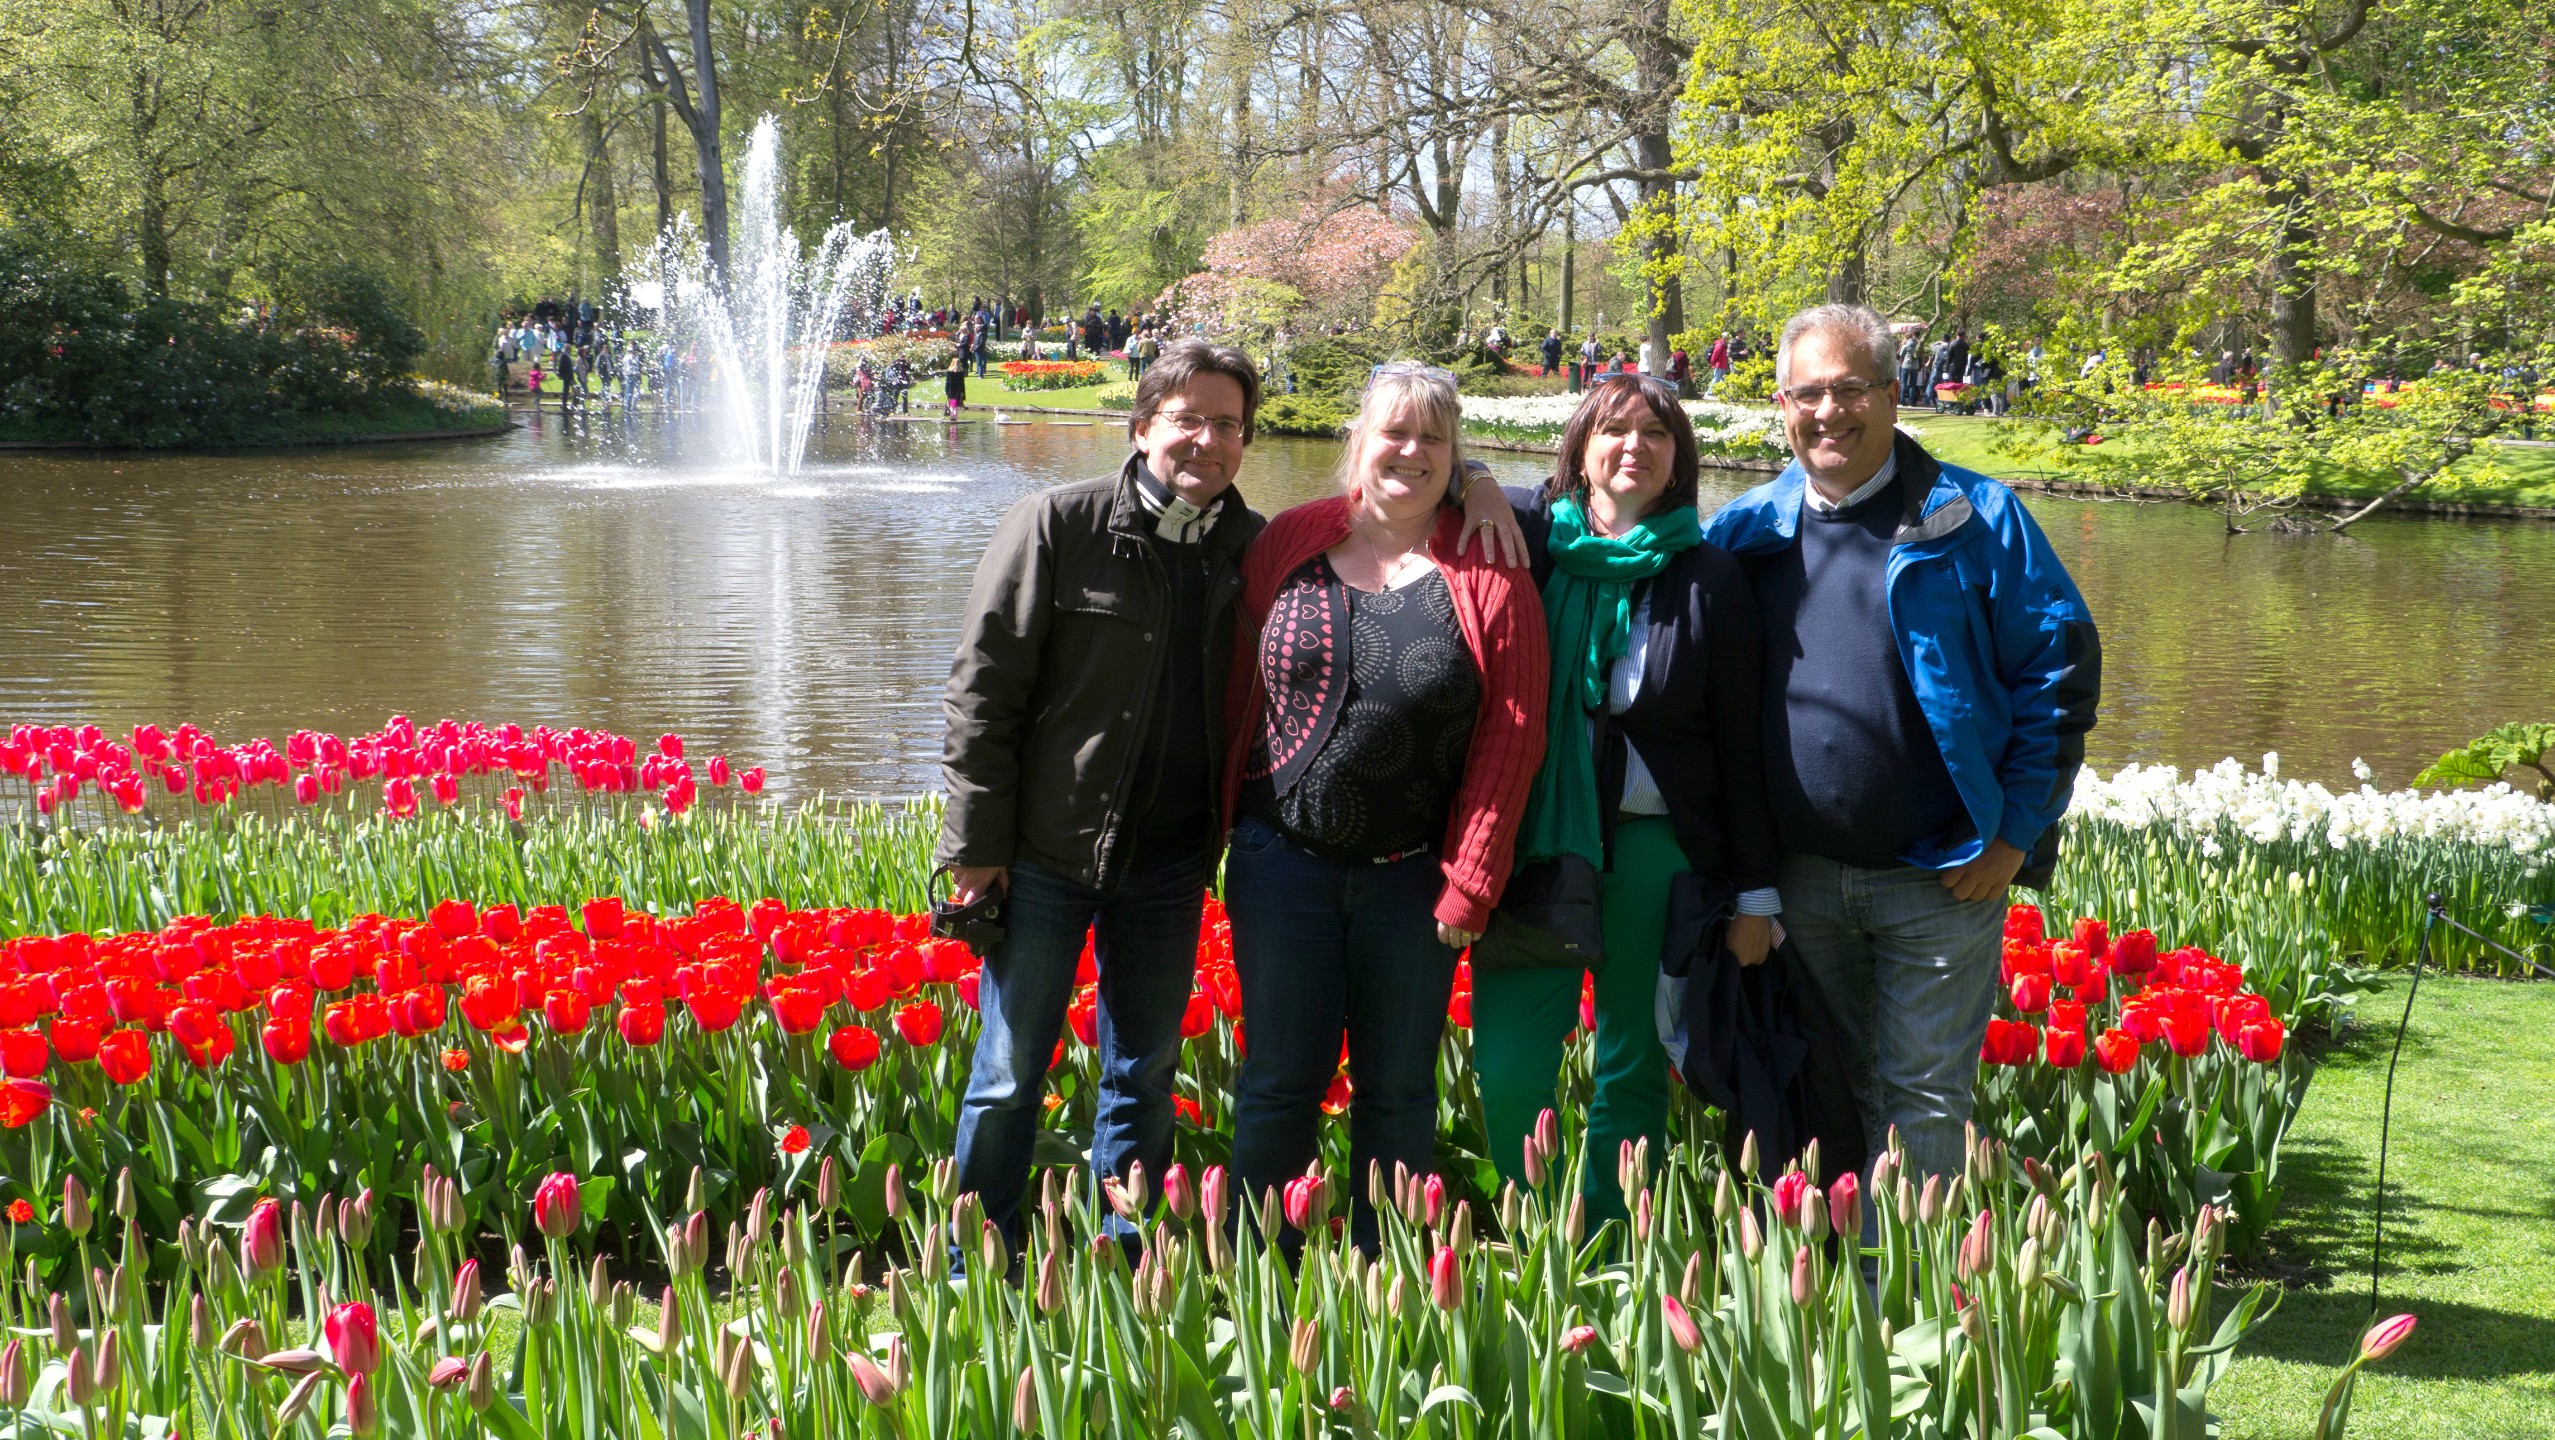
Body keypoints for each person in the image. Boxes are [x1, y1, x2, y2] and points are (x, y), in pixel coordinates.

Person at [1703, 302, 2102, 1192]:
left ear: (1892, 394)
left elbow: (2059, 678)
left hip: (1942, 875)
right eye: (1807, 393)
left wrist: (2016, 835)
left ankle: (1910, 1278)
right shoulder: (1746, 532)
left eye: (1849, 389)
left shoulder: (1976, 519)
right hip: (1800, 880)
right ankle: (1840, 1269)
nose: (1827, 412)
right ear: (1780, 404)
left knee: (1921, 1100)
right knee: (1831, 1089)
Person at [939, 340, 1275, 1258]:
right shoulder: (1058, 523)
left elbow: (1377, 515)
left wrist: (1476, 480)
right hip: (1046, 852)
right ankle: (978, 1263)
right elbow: (982, 694)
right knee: (1008, 1075)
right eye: (1187, 419)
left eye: (1227, 425)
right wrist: (975, 846)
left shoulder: (1253, 549)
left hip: (1169, 863)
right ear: (1140, 427)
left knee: (1145, 1075)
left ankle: (1122, 1259)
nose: (1207, 441)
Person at [1222, 364, 1548, 1250]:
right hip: (1279, 863)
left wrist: (1471, 880)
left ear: (1455, 456)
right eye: (1392, 433)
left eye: (1432, 438)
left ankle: (1387, 1276)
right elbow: (1235, 688)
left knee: (1398, 1093)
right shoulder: (1289, 541)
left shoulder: (1488, 566)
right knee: (1277, 1084)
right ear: (1357, 440)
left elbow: (1512, 735)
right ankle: (1259, 1271)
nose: (1410, 452)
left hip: (1412, 881)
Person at [1473, 373, 1777, 1226]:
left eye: (1655, 432)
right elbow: (1419, 464)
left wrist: (1756, 891)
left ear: (1678, 458)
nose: (1633, 446)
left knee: (1632, 1064)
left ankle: (1607, 1240)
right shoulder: (1528, 539)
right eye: (1613, 429)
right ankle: (1535, 1239)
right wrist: (1476, 476)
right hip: (1536, 842)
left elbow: (1741, 747)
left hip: (1655, 847)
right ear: (1579, 448)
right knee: (1508, 1070)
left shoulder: (1708, 576)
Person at [944, 350, 968, 417]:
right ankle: (955, 416)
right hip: (958, 390)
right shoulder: (961, 372)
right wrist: (962, 392)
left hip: (951, 390)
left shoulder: (949, 372)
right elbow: (962, 383)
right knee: (956, 405)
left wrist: (946, 390)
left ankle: (952, 416)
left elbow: (947, 382)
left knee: (951, 404)